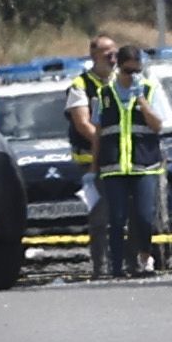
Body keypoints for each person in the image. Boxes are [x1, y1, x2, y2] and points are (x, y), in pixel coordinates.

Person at [95, 45, 171, 277]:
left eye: (137, 70)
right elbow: (98, 131)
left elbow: (158, 126)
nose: (132, 75)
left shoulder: (149, 90)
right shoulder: (105, 94)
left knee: (144, 217)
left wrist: (141, 100)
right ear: (119, 68)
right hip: (114, 167)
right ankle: (117, 266)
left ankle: (144, 259)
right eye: (128, 71)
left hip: (144, 165)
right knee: (117, 219)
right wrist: (93, 167)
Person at [65, 34, 117, 277]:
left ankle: (129, 263)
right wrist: (105, 143)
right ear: (95, 56)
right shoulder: (81, 85)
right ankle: (102, 267)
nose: (112, 56)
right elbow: (83, 124)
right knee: (99, 219)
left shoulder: (124, 81)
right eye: (107, 52)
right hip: (91, 164)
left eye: (114, 51)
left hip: (123, 160)